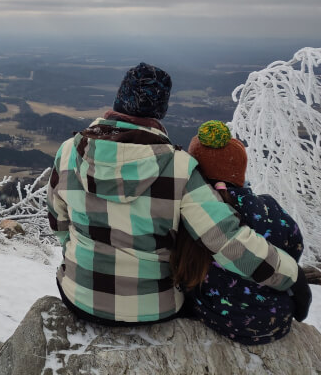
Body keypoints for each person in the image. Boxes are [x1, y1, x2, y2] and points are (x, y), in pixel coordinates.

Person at [46, 62, 308, 325]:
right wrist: (292, 276)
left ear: (118, 100)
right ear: (160, 111)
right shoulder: (179, 167)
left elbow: (59, 222)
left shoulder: (68, 151)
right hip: (153, 309)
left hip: (79, 297)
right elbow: (228, 241)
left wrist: (80, 259)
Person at [170, 120, 311, 344]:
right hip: (276, 317)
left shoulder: (190, 215)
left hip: (215, 314)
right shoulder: (268, 207)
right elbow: (295, 245)